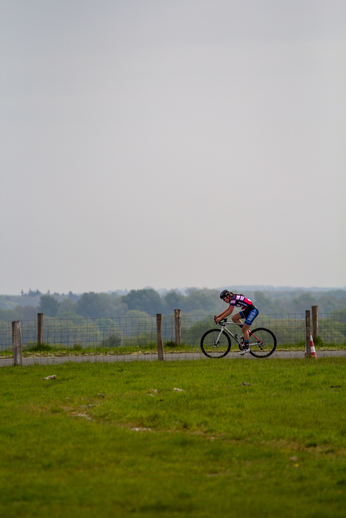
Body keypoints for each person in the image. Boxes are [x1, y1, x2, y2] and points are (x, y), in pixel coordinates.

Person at [214, 290, 259, 355]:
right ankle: (246, 331)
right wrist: (218, 316)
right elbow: (228, 309)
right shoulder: (232, 298)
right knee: (234, 318)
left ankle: (246, 348)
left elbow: (230, 312)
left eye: (224, 299)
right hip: (247, 311)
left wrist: (220, 318)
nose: (224, 301)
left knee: (244, 329)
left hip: (253, 311)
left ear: (228, 296)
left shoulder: (233, 299)